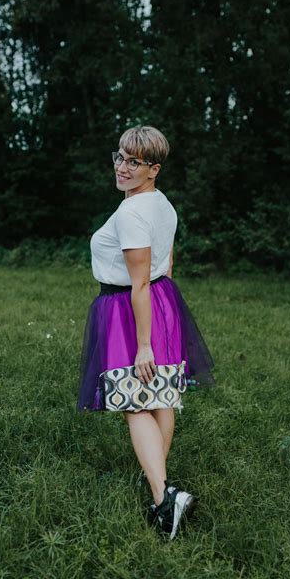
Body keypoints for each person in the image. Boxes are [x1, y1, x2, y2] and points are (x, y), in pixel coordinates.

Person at [77, 125, 215, 540]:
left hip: (129, 308)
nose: (122, 167)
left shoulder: (133, 213)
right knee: (161, 397)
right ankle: (161, 483)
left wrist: (142, 345)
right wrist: (162, 314)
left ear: (153, 169)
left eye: (134, 162)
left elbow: (137, 283)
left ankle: (163, 498)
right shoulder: (162, 205)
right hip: (162, 301)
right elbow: (166, 264)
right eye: (119, 156)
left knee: (136, 404)